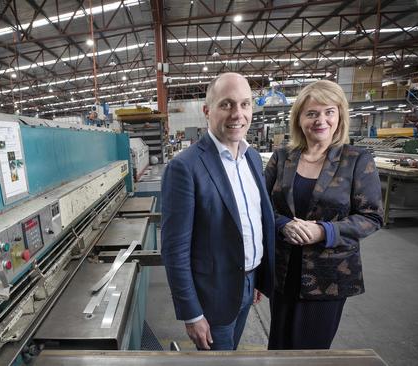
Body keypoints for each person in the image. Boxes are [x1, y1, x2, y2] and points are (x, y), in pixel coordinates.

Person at [264, 80, 383, 350]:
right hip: (283, 271)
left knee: (311, 349)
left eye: (329, 111)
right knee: (279, 345)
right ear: (299, 119)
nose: (321, 120)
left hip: (328, 277)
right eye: (312, 113)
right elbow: (259, 207)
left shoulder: (357, 160)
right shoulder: (282, 158)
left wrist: (324, 231)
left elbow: (372, 216)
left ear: (339, 116)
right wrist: (282, 225)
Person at [161, 73, 275, 350]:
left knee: (232, 353)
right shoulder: (185, 168)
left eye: (245, 104)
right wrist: (192, 313)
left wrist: (255, 277)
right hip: (212, 297)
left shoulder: (252, 158)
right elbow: (175, 250)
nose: (238, 114)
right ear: (207, 110)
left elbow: (252, 223)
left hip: (249, 283)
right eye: (227, 104)